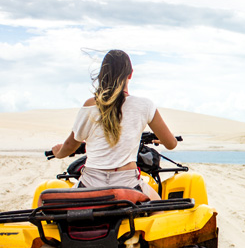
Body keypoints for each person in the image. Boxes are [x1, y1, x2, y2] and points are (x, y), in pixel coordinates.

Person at [52, 50, 177, 199]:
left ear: (102, 73)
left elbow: (69, 146)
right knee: (160, 209)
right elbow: (171, 144)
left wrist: (58, 153)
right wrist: (161, 138)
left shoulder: (90, 105)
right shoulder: (145, 105)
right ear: (130, 74)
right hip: (128, 184)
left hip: (90, 184)